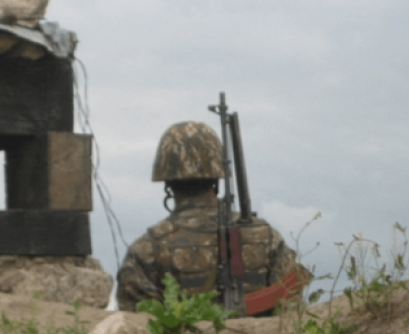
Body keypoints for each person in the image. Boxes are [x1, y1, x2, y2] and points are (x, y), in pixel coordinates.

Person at [116, 121, 306, 315]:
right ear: (217, 176)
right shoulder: (267, 238)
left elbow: (136, 327)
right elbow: (292, 316)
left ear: (166, 180)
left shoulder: (146, 250)